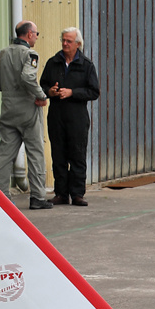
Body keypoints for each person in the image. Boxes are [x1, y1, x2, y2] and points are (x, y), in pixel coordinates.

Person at [39, 27, 100, 206]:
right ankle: (61, 193)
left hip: (77, 117)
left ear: (78, 44)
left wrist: (73, 92)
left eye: (69, 41)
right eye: (63, 40)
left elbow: (94, 91)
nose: (65, 44)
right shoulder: (53, 62)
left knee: (77, 155)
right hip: (57, 116)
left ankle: (77, 193)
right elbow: (42, 86)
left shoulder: (86, 65)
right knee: (58, 155)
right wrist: (49, 92)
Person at [0, 20, 51, 209]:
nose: (36, 37)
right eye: (36, 33)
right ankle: (37, 197)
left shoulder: (1, 54)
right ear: (28, 34)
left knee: (5, 155)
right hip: (28, 109)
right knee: (35, 153)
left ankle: (1, 197)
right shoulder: (30, 55)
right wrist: (41, 95)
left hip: (8, 109)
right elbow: (28, 77)